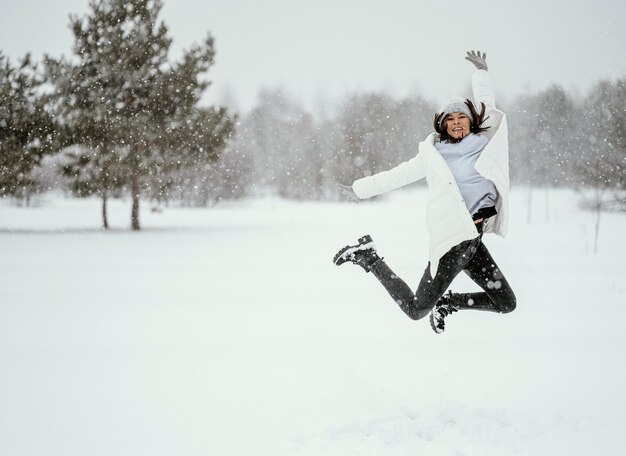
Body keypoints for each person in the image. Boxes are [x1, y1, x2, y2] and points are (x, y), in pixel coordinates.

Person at [333, 50, 516, 334]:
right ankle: (368, 257)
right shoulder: (434, 155)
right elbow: (398, 175)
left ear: (470, 121)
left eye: (461, 117)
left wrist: (481, 75)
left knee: (505, 303)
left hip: (473, 241)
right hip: (454, 242)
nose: (456, 122)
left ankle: (448, 303)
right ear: (442, 124)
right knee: (417, 309)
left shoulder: (484, 143)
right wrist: (360, 189)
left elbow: (488, 106)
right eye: (450, 119)